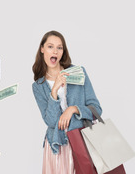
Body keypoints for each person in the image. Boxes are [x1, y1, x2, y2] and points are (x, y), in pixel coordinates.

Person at [32, 31, 102, 174]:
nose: (55, 51)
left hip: (82, 141)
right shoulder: (38, 86)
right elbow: (51, 121)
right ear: (42, 49)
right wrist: (54, 90)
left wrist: (73, 109)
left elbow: (96, 110)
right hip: (58, 147)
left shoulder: (78, 72)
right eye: (50, 46)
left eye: (60, 47)